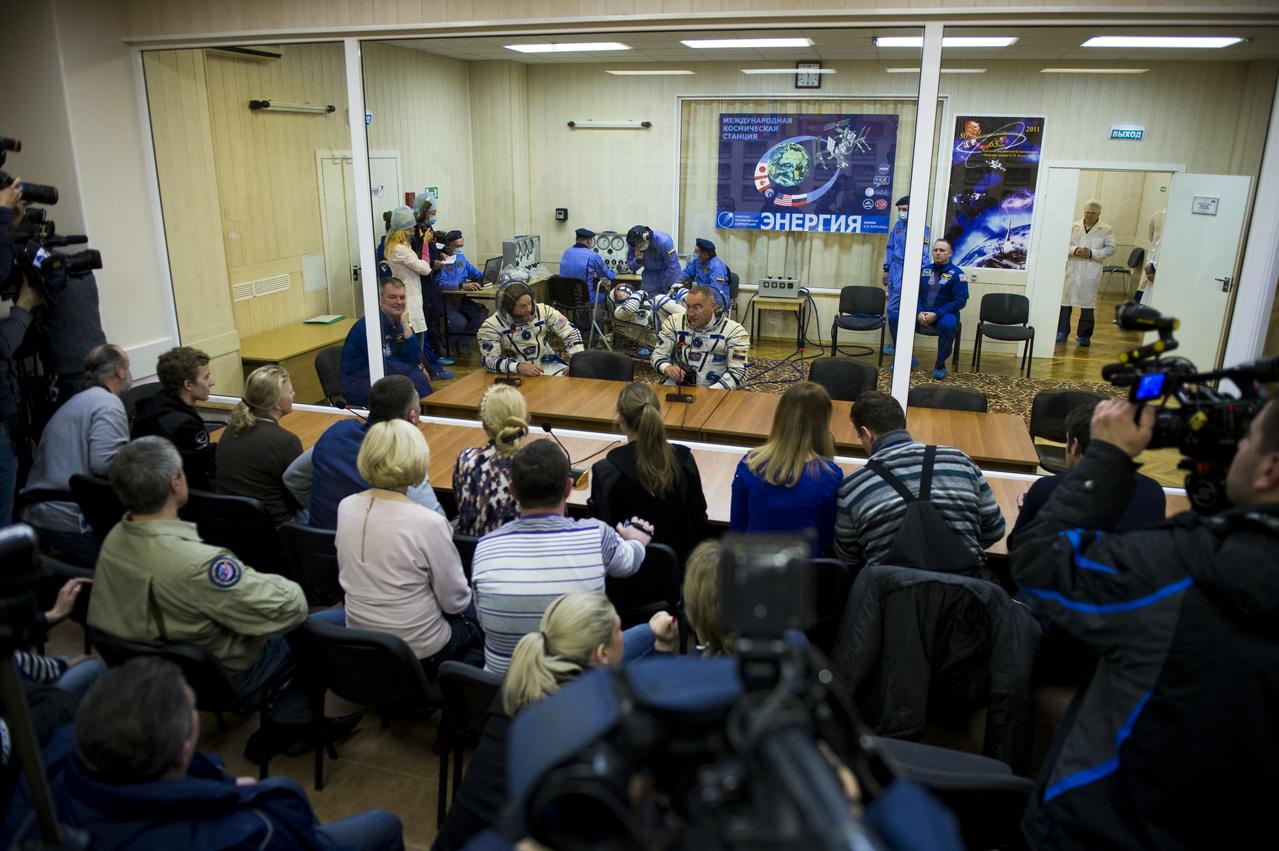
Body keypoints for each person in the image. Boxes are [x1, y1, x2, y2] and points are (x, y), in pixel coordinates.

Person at [1011, 398, 1279, 850]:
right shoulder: (1163, 508)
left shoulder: (1186, 571)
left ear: (1270, 469)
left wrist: (1108, 461)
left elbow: (1041, 560)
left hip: (1103, 830)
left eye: (1248, 440)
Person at [88, 437, 359, 761]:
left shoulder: (115, 539)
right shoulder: (201, 563)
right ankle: (290, 721)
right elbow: (292, 607)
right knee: (326, 627)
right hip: (222, 675)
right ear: (176, 483)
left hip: (155, 667)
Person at [1, 658, 404, 851]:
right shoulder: (249, 833)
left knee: (280, 781)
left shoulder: (36, 777)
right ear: (181, 752)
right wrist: (245, 799)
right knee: (383, 823)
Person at [433, 592, 670, 851]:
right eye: (618, 630)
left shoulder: (520, 680)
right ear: (602, 654)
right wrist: (664, 649)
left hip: (454, 840)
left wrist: (650, 632)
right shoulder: (596, 720)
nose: (622, 636)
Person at [470, 439, 650, 674]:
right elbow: (630, 563)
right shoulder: (595, 536)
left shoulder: (484, 548)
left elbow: (483, 619)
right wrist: (637, 539)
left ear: (512, 490)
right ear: (568, 488)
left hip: (503, 695)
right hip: (578, 691)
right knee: (651, 632)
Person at [337, 420, 480, 677]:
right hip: (422, 653)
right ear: (417, 459)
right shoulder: (429, 522)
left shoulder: (346, 506)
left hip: (361, 642)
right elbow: (454, 602)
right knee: (482, 615)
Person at [834, 390, 1005, 574]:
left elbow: (847, 556)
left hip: (893, 598)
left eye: (859, 437)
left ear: (867, 434)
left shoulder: (854, 486)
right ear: (902, 423)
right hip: (967, 595)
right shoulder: (960, 461)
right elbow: (995, 529)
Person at [285, 374, 445, 530]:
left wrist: (322, 512)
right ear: (413, 416)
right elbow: (438, 524)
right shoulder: (402, 456)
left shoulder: (334, 434)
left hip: (316, 545)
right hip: (375, 550)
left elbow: (293, 478)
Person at [20, 343, 131, 566]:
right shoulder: (108, 403)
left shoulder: (77, 401)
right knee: (126, 569)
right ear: (120, 370)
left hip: (37, 512)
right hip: (67, 517)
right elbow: (105, 464)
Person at [1008, 400, 1166, 548]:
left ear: (1075, 446)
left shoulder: (1046, 489)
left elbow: (1015, 544)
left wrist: (1030, 510)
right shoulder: (1154, 491)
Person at [589, 382, 707, 560]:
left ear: (621, 420)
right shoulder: (684, 462)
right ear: (659, 415)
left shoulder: (606, 472)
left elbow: (601, 532)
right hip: (677, 577)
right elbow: (699, 521)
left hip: (622, 580)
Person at [729, 382, 842, 556]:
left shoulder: (749, 464)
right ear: (823, 422)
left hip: (751, 573)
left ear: (780, 415)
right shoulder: (830, 476)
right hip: (804, 576)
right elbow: (827, 539)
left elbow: (737, 528)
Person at [214, 365, 303, 526]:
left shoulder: (232, 428)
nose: (294, 394)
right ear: (276, 403)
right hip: (275, 525)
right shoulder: (286, 441)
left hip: (231, 522)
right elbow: (300, 494)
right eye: (290, 392)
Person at [131, 346, 218, 491]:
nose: (212, 381)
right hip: (180, 494)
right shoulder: (183, 424)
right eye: (206, 377)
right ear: (188, 385)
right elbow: (209, 462)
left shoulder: (156, 403)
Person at [340, 277, 434, 406]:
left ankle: (425, 419)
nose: (398, 302)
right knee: (413, 382)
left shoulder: (399, 321)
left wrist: (406, 328)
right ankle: (423, 420)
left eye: (402, 297)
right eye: (392, 297)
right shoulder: (369, 326)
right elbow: (384, 365)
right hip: (359, 383)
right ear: (380, 300)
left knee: (416, 379)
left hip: (384, 377)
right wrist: (416, 369)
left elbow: (415, 358)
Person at [453, 383, 529, 536]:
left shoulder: (466, 460)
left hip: (473, 556)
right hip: (519, 555)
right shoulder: (536, 467)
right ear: (524, 419)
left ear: (484, 424)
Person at [651, 284, 750, 390]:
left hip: (716, 389)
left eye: (697, 307)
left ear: (712, 306)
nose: (691, 313)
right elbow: (657, 355)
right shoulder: (674, 323)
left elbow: (740, 371)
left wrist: (711, 391)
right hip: (679, 385)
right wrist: (667, 368)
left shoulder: (735, 332)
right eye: (688, 306)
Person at [476, 281, 584, 377]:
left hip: (547, 363)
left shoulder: (544, 311)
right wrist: (517, 366)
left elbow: (571, 332)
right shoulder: (491, 326)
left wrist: (576, 363)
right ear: (509, 307)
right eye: (523, 306)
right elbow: (489, 362)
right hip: (515, 371)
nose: (529, 309)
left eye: (530, 303)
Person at [1056, 199, 1115, 346]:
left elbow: (1111, 248)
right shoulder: (1074, 226)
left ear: (1099, 214)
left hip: (1091, 271)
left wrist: (1092, 253)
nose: (1088, 216)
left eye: (1092, 213)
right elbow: (1063, 243)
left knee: (1088, 305)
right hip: (1073, 269)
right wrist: (1075, 250)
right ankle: (1061, 333)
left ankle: (1084, 336)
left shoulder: (1106, 229)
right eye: (1087, 213)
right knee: (1065, 303)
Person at [907, 239, 969, 380]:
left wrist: (937, 314)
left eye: (942, 250)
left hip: (945, 314)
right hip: (922, 312)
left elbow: (960, 301)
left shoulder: (958, 275)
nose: (938, 253)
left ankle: (940, 364)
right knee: (895, 318)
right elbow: (914, 294)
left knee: (948, 325)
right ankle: (906, 359)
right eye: (936, 250)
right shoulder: (924, 271)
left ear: (950, 253)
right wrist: (918, 311)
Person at [882, 195, 930, 356]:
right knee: (892, 310)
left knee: (899, 311)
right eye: (900, 210)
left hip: (910, 271)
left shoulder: (921, 229)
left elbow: (923, 256)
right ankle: (897, 345)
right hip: (895, 269)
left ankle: (904, 350)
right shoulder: (898, 226)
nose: (902, 213)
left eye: (905, 210)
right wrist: (886, 269)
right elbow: (890, 248)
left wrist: (920, 277)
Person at [434, 229, 487, 351]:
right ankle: (447, 345)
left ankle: (463, 343)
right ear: (448, 246)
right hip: (446, 302)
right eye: (457, 246)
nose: (460, 249)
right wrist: (461, 285)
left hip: (461, 300)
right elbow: (440, 284)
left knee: (480, 315)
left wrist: (489, 275)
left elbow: (474, 273)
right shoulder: (441, 261)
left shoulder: (460, 258)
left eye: (462, 246)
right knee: (460, 323)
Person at [558, 227, 616, 303]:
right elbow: (605, 275)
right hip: (585, 298)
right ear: (589, 241)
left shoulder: (566, 252)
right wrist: (614, 272)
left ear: (576, 239)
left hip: (565, 297)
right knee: (606, 295)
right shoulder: (593, 256)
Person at [673, 237, 731, 309]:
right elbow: (687, 272)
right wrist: (675, 282)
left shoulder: (717, 266)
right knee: (679, 301)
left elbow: (715, 291)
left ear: (705, 253)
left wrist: (698, 298)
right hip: (702, 296)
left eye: (697, 251)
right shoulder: (698, 261)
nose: (695, 253)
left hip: (716, 301)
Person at [625, 224, 681, 296]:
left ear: (646, 238)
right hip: (649, 279)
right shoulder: (632, 244)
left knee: (669, 302)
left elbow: (673, 267)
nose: (638, 248)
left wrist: (671, 288)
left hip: (667, 275)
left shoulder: (664, 242)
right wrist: (638, 260)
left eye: (640, 245)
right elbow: (632, 267)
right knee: (647, 303)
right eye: (636, 246)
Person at [1135, 207, 1164, 304]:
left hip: (1163, 265)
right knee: (1143, 288)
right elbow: (1151, 237)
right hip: (1153, 258)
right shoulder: (1158, 215)